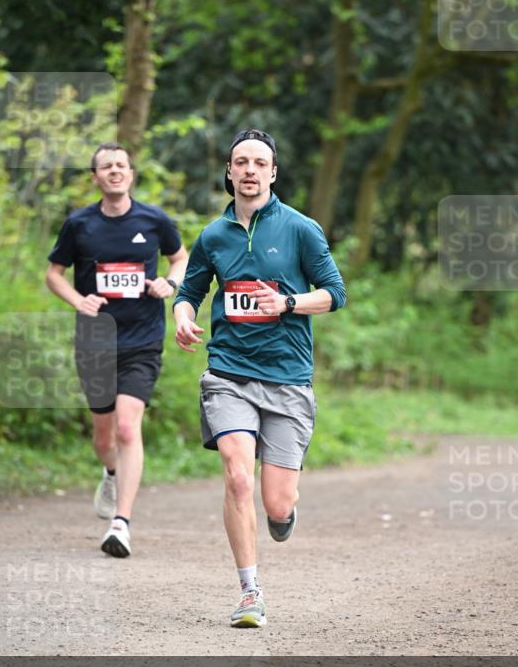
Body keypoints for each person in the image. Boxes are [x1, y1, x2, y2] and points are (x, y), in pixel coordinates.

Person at [173, 128, 346, 627]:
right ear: (229, 172)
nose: (249, 170)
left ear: (273, 173)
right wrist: (182, 316)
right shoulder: (213, 235)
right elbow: (190, 290)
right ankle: (250, 592)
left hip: (288, 378)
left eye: (259, 163)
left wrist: (289, 302)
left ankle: (283, 513)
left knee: (276, 499)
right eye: (240, 162)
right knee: (237, 475)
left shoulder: (300, 229)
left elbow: (335, 293)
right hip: (228, 372)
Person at [46, 143, 188, 557]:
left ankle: (120, 523)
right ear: (95, 176)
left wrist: (170, 283)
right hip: (95, 340)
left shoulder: (154, 220)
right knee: (104, 434)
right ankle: (110, 472)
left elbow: (179, 258)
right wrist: (78, 300)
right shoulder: (79, 224)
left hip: (142, 339)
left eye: (121, 165)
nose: (114, 171)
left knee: (128, 428)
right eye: (106, 166)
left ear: (130, 173)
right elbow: (54, 274)